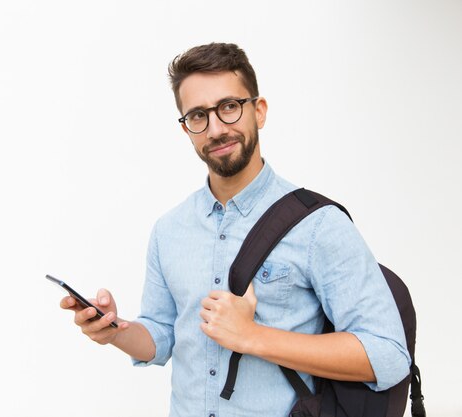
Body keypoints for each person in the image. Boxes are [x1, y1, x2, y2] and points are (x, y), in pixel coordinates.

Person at [60, 42, 411, 417]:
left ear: (258, 111)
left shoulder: (319, 225)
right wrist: (117, 332)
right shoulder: (169, 230)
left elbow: (388, 354)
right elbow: (161, 337)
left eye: (229, 107)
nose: (215, 129)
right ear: (186, 128)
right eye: (198, 115)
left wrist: (253, 336)